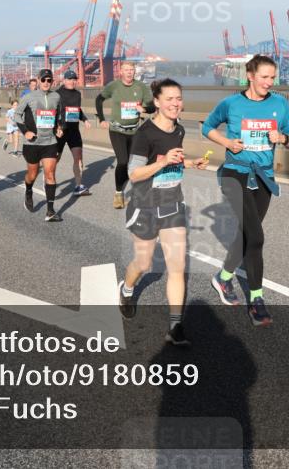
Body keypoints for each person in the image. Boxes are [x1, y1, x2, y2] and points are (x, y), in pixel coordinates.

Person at [202, 55, 289, 327]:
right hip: (235, 174)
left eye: (273, 77)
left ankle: (222, 279)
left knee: (245, 235)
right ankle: (256, 300)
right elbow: (208, 127)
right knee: (256, 237)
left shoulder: (280, 104)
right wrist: (227, 142)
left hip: (264, 178)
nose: (269, 82)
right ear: (250, 76)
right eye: (264, 77)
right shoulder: (232, 103)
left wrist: (283, 138)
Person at [118, 79, 207, 346]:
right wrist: (164, 161)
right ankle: (127, 289)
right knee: (143, 264)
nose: (175, 104)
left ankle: (175, 327)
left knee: (177, 267)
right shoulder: (145, 134)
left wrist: (188, 163)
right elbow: (134, 174)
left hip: (172, 204)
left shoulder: (179, 129)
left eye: (178, 98)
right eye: (169, 99)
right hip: (145, 206)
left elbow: (172, 163)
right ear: (156, 102)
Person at [96, 60, 155, 209]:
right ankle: (118, 193)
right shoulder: (114, 86)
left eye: (132, 70)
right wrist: (101, 119)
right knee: (122, 161)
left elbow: (153, 107)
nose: (129, 72)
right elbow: (99, 99)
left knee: (133, 164)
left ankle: (136, 192)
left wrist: (144, 109)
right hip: (117, 131)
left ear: (135, 72)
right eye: (127, 70)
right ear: (121, 72)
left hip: (135, 131)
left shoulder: (141, 87)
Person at [15, 68, 64, 222]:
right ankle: (28, 190)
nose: (46, 82)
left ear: (52, 82)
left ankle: (50, 211)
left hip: (50, 141)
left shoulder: (56, 96)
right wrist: (25, 132)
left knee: (50, 174)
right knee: (32, 174)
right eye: (43, 79)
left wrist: (59, 127)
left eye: (49, 80)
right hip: (33, 142)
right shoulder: (29, 97)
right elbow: (17, 115)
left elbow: (58, 116)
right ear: (38, 80)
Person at [56, 69, 92, 196]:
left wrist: (85, 119)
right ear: (64, 80)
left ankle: (78, 186)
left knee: (78, 158)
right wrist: (56, 127)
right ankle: (48, 179)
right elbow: (52, 111)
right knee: (56, 158)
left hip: (73, 130)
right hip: (60, 131)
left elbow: (77, 110)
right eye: (69, 79)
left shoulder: (77, 94)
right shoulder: (57, 94)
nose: (72, 81)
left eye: (74, 79)